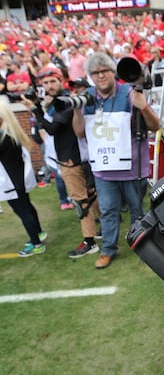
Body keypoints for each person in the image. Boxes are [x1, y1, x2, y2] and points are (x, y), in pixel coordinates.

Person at [73, 52, 160, 269]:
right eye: (96, 72)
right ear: (91, 76)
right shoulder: (88, 96)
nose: (101, 75)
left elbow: (155, 126)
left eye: (105, 71)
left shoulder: (129, 93)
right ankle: (108, 249)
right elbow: (80, 133)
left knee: (137, 210)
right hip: (103, 169)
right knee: (108, 210)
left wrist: (143, 106)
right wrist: (76, 111)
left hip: (132, 168)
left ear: (113, 73)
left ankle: (141, 246)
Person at [23, 66, 102, 259]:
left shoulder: (66, 102)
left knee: (81, 201)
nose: (49, 86)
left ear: (61, 81)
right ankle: (104, 227)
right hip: (77, 156)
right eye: (46, 83)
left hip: (72, 159)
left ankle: (89, 241)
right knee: (90, 197)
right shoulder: (59, 102)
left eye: (53, 81)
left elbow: (52, 129)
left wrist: (35, 110)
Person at [0, 102, 46, 257]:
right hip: (18, 179)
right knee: (27, 207)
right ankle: (38, 234)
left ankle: (36, 244)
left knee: (23, 211)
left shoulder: (4, 136)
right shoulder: (10, 132)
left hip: (11, 181)